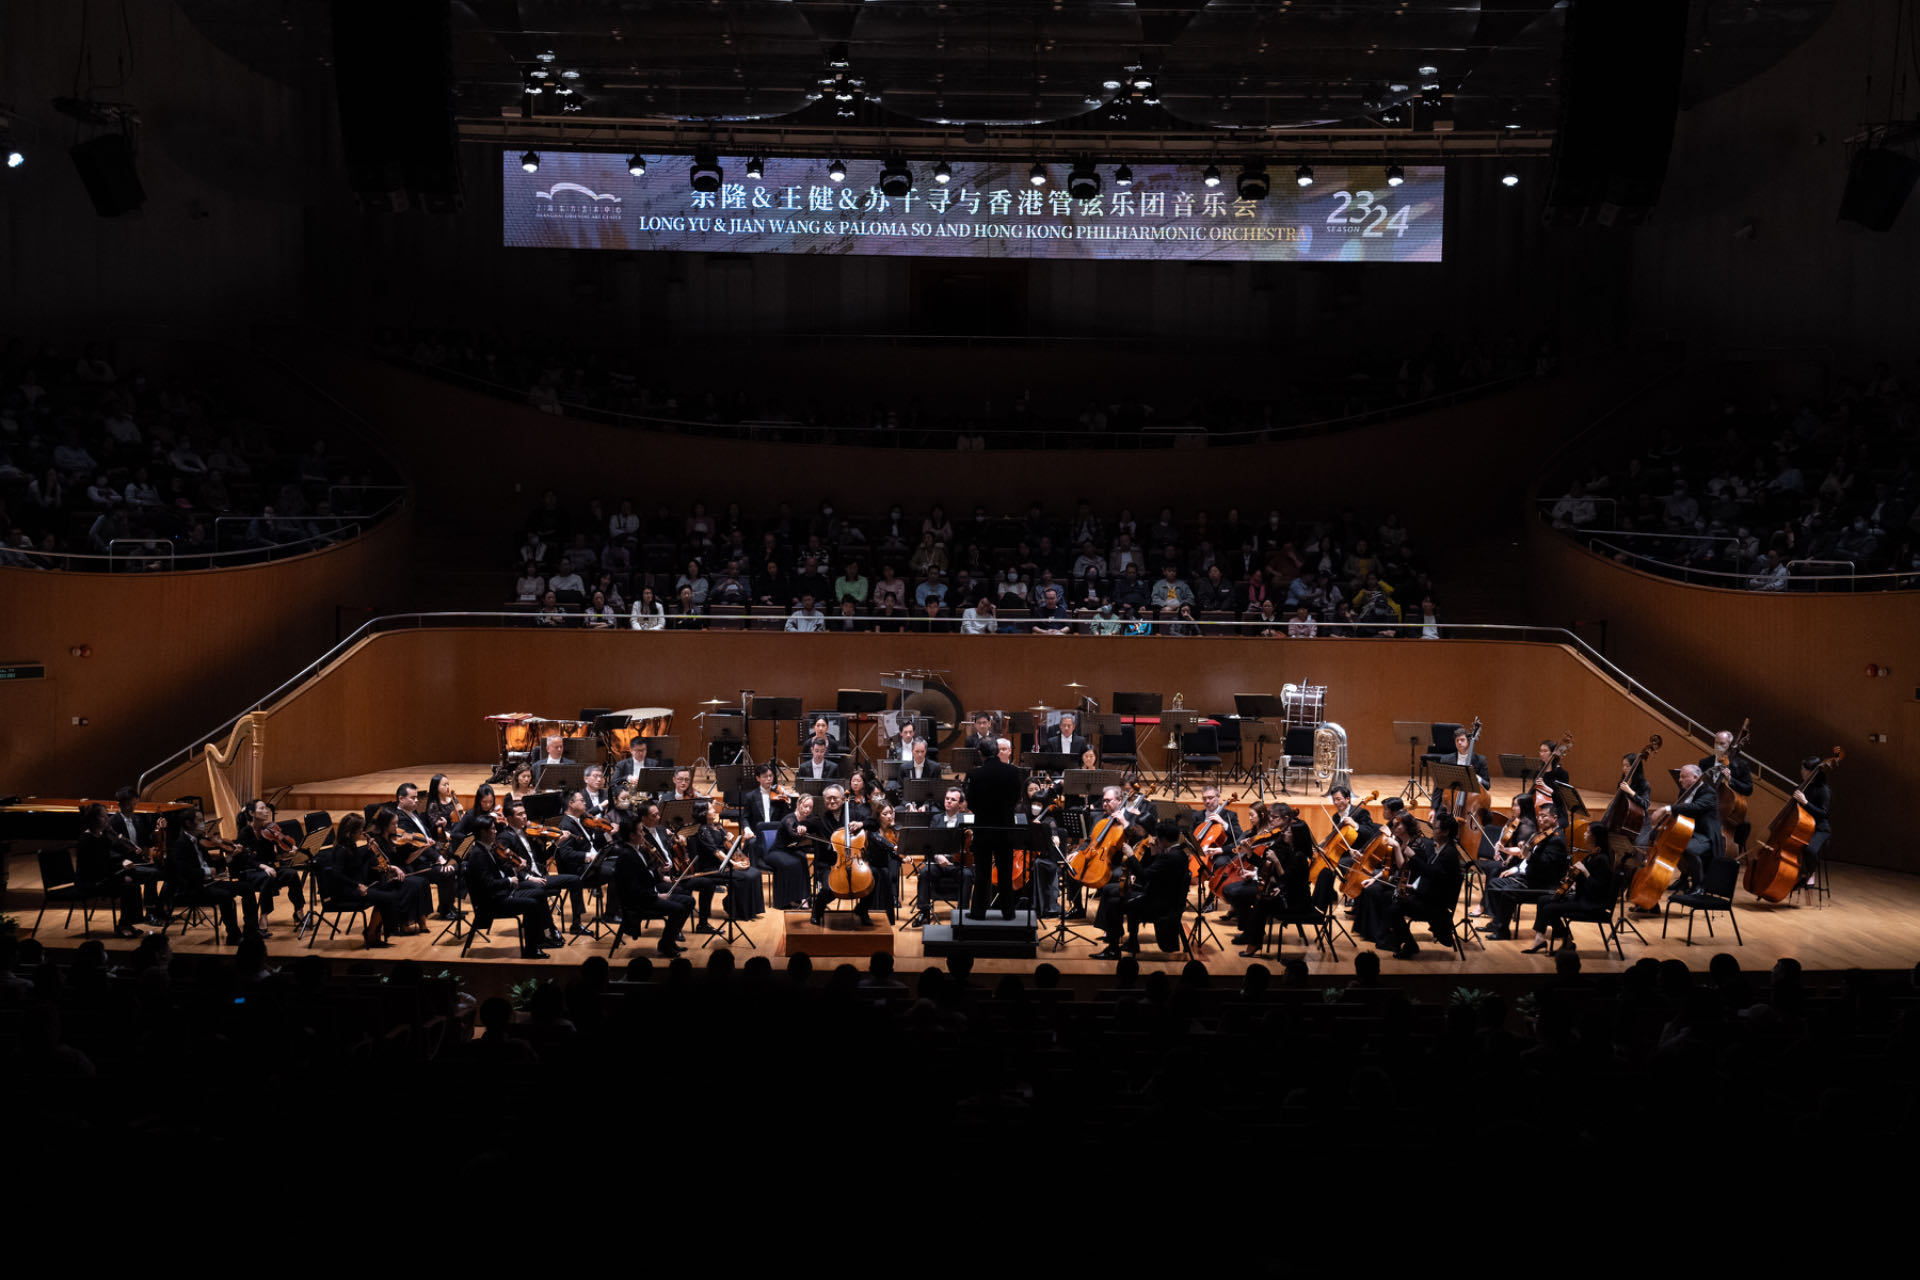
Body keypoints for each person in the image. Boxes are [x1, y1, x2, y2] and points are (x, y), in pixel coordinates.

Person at [1090, 819, 1191, 959]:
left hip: (1160, 906)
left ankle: (1113, 949)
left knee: (1114, 903)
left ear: (1163, 839)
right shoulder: (1179, 854)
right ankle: (1131, 942)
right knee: (1111, 890)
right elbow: (1157, 874)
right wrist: (1156, 853)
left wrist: (1131, 856)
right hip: (1163, 898)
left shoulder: (1169, 857)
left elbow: (1144, 876)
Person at [464, 816, 555, 959]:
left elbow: (499, 873)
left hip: (502, 894)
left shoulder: (488, 849)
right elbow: (488, 885)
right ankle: (531, 949)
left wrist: (516, 871)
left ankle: (543, 939)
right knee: (532, 904)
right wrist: (509, 880)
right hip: (492, 902)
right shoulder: (478, 854)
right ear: (483, 832)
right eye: (492, 829)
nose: (495, 832)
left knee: (539, 892)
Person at [1385, 810, 1465, 958]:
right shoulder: (1440, 848)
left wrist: (1413, 856)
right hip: (1428, 897)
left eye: (1435, 828)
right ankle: (1397, 941)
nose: (1432, 831)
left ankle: (1410, 945)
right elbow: (1430, 875)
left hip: (1435, 905)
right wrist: (1413, 887)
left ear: (1446, 832)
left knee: (1394, 909)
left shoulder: (1449, 854)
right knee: (1393, 900)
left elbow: (1432, 873)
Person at [1482, 805, 1570, 940]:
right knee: (1494, 882)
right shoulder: (1543, 834)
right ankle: (1496, 923)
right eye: (1538, 816)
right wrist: (1519, 863)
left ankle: (1502, 931)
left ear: (1554, 818)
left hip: (1543, 883)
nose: (1540, 819)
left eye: (1544, 816)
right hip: (1531, 878)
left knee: (1507, 891)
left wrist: (1528, 854)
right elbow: (1530, 858)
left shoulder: (1556, 840)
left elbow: (1544, 864)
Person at [611, 813, 692, 956]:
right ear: (632, 835)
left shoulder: (637, 850)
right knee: (678, 909)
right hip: (639, 902)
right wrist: (657, 896)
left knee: (689, 901)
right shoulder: (626, 856)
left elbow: (645, 874)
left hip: (649, 894)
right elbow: (632, 889)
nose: (643, 834)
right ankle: (665, 945)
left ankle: (668, 942)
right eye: (640, 831)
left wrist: (658, 872)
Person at [965, 737, 1025, 920]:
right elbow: (1016, 799)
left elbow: (972, 802)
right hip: (1005, 829)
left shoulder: (976, 775)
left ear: (980, 753)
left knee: (983, 873)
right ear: (997, 751)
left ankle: (978, 912)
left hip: (984, 828)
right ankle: (1008, 912)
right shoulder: (1013, 773)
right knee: (1006, 872)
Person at [1645, 762, 1723, 900]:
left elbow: (1695, 807)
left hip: (1705, 834)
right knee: (1655, 835)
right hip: (1688, 829)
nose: (1679, 780)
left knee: (1687, 849)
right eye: (1680, 777)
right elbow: (1681, 810)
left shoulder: (1709, 792)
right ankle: (1683, 879)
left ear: (1695, 777)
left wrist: (1666, 809)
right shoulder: (1684, 790)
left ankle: (1699, 885)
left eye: (1683, 777)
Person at [809, 785, 879, 928]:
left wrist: (861, 824)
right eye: (828, 798)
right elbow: (805, 824)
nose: (832, 801)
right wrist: (801, 827)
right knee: (830, 888)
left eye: (835, 798)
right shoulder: (820, 818)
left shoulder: (854, 813)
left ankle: (862, 910)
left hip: (854, 860)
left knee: (874, 875)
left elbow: (874, 823)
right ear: (824, 800)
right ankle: (817, 910)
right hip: (830, 864)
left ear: (842, 799)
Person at [1525, 846, 1616, 954]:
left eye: (1588, 832)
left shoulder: (1603, 860)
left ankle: (1567, 941)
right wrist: (1573, 876)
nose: (1585, 834)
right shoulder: (1591, 856)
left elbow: (1598, 887)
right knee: (1542, 900)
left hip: (1591, 903)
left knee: (1549, 909)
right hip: (1581, 897)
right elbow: (1583, 880)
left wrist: (1584, 871)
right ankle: (1539, 938)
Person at [75, 802, 146, 938]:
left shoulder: (101, 835)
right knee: (129, 885)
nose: (107, 819)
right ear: (94, 819)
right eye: (103, 816)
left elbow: (109, 858)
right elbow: (94, 867)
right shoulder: (86, 839)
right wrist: (119, 871)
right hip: (90, 881)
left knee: (134, 879)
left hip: (102, 876)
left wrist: (123, 861)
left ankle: (127, 922)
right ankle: (123, 924)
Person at [913, 786, 973, 923]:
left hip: (957, 864)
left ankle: (962, 914)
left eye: (953, 799)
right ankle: (924, 912)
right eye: (947, 798)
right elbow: (930, 843)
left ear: (960, 804)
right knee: (924, 873)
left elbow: (972, 845)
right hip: (938, 863)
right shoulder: (936, 819)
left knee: (968, 875)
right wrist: (938, 856)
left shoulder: (966, 819)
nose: (949, 802)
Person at [1704, 728, 1754, 854]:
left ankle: (1729, 860)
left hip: (1726, 809)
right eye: (1716, 743)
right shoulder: (1706, 762)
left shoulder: (1741, 765)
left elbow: (1748, 789)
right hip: (1707, 805)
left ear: (1730, 746)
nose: (1718, 746)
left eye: (1722, 744)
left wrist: (1731, 780)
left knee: (1745, 825)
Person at [767, 793, 818, 909]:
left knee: (802, 858)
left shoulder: (809, 819)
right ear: (798, 804)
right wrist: (799, 831)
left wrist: (806, 828)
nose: (808, 810)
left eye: (810, 807)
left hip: (790, 850)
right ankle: (785, 901)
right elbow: (792, 832)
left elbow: (816, 821)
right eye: (805, 806)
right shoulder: (789, 819)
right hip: (776, 852)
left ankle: (804, 898)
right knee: (791, 863)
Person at [1792, 755, 1833, 888]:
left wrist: (1805, 802)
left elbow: (1823, 813)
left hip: (1820, 829)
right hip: (1803, 826)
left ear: (1812, 772)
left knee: (1810, 850)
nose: (1801, 772)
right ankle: (1793, 876)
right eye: (1802, 769)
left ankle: (1810, 873)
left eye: (1804, 769)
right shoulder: (1803, 786)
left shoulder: (1824, 790)